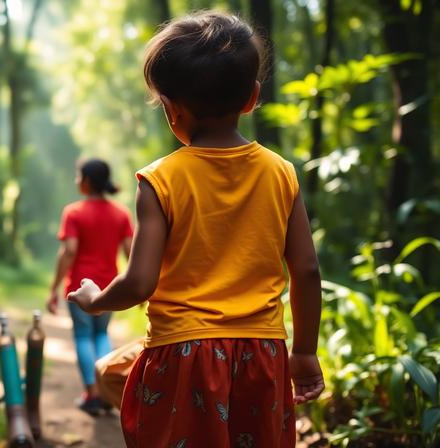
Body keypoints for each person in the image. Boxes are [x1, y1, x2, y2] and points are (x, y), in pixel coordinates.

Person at [68, 11, 324, 447]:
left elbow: (139, 282)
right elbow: (306, 271)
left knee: (120, 385)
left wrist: (95, 301)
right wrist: (303, 351)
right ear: (252, 97)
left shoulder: (160, 179)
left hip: (182, 354)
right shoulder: (281, 173)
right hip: (261, 352)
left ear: (171, 109)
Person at [47, 158, 133, 416]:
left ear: (86, 181)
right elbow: (131, 252)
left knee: (83, 336)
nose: (76, 181)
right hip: (110, 288)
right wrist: (135, 287)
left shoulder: (73, 212)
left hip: (80, 288)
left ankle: (92, 395)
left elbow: (69, 251)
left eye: (77, 176)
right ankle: (107, 391)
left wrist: (53, 288)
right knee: (101, 335)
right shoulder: (121, 214)